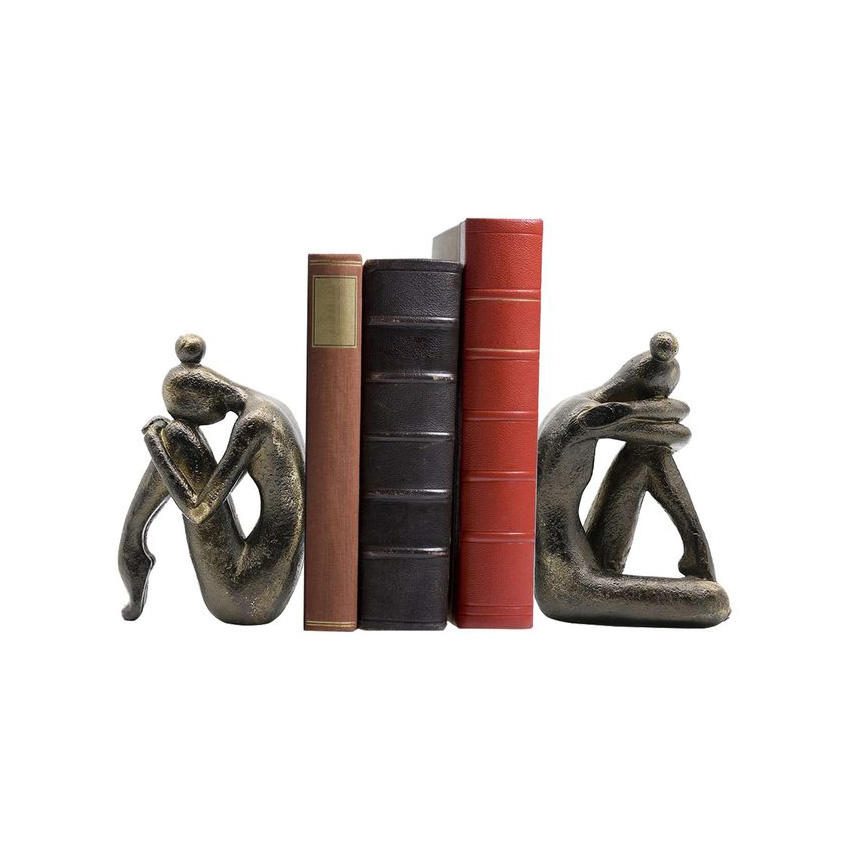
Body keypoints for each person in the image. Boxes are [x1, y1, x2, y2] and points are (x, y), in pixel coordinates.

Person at [536, 332, 729, 627]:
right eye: (655, 397)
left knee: (645, 452)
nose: (658, 404)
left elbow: (661, 432)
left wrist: (697, 545)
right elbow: (639, 420)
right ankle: (697, 556)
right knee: (712, 601)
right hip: (567, 584)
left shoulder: (581, 406)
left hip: (590, 557)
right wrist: (667, 421)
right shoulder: (584, 417)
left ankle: (696, 554)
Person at [118, 334, 304, 625]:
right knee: (176, 438)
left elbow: (197, 510)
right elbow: (219, 487)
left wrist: (155, 443)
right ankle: (132, 544)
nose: (195, 424)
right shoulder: (270, 408)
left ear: (201, 401)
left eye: (188, 415)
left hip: (244, 591)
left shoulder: (253, 424)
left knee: (176, 436)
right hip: (270, 587)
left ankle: (131, 545)